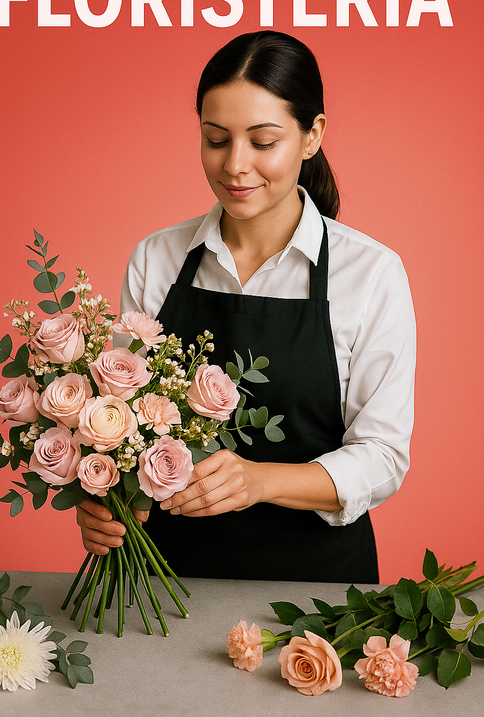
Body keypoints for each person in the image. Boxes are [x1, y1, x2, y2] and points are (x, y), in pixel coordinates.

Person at [76, 30, 416, 583]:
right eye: (216, 139)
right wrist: (103, 506)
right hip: (163, 581)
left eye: (263, 142)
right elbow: (124, 426)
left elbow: (382, 456)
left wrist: (261, 481)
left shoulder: (371, 274)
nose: (235, 165)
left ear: (312, 136)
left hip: (316, 590)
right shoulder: (156, 259)